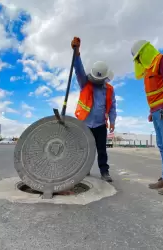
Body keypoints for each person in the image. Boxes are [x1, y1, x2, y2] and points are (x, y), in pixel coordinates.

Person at [130, 40, 163, 195]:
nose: (139, 62)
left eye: (139, 57)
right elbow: (154, 94)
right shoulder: (149, 70)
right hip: (157, 111)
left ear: (145, 52)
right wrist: (152, 112)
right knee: (162, 145)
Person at [71, 37, 116, 183]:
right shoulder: (85, 83)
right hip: (85, 123)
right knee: (84, 148)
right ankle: (85, 169)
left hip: (100, 124)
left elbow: (113, 106)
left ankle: (104, 171)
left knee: (102, 149)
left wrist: (112, 121)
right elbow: (78, 70)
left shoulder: (109, 89)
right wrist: (77, 52)